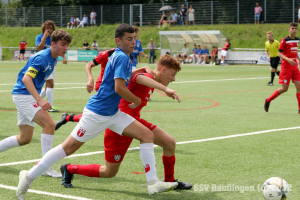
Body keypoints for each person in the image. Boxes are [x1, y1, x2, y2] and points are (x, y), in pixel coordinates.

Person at [16, 24, 178, 199]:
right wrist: (136, 99)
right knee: (68, 148)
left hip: (112, 114)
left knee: (146, 135)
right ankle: (29, 175)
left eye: (134, 38)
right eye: (129, 39)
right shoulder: (122, 57)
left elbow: (127, 75)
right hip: (97, 113)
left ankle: (153, 183)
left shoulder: (122, 56)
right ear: (118, 40)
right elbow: (119, 88)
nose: (133, 42)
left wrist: (141, 69)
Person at [58, 54, 192, 191]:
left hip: (134, 121)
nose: (174, 79)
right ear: (163, 70)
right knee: (109, 171)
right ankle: (69, 169)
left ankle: (170, 181)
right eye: (173, 74)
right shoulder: (148, 77)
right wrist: (165, 89)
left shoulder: (151, 76)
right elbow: (139, 78)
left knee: (169, 143)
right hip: (119, 124)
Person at [0, 30, 71, 182]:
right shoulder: (41, 58)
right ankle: (45, 168)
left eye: (67, 45)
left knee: (24, 138)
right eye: (63, 44)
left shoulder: (54, 58)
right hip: (24, 96)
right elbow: (26, 79)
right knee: (49, 124)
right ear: (53, 44)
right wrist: (39, 100)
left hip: (24, 96)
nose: (65, 48)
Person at [264, 22, 300, 114]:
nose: (294, 30)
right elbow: (279, 54)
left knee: (299, 86)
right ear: (289, 29)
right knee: (284, 89)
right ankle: (268, 100)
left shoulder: (297, 40)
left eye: (296, 28)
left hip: (294, 66)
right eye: (292, 28)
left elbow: (295, 51)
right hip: (286, 67)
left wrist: (298, 60)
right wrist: (288, 60)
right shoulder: (284, 40)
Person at [37, 20, 66, 112]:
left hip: (52, 63)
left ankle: (35, 101)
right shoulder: (39, 37)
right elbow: (39, 48)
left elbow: (59, 48)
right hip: (44, 63)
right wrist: (44, 37)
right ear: (44, 29)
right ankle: (50, 107)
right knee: (50, 84)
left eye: (50, 28)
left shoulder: (54, 39)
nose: (49, 30)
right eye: (47, 28)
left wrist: (64, 57)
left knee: (47, 87)